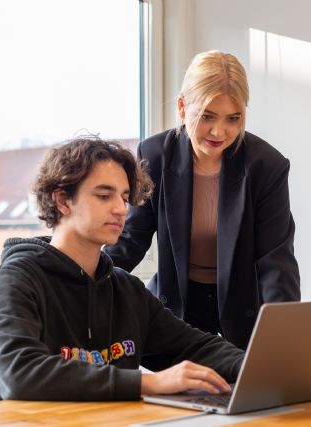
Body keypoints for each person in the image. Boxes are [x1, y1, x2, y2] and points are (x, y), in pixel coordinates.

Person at [0, 137, 244, 402]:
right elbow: (20, 374)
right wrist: (148, 383)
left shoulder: (125, 289)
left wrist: (261, 366)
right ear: (62, 200)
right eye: (104, 196)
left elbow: (195, 347)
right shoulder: (15, 281)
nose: (120, 209)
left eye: (124, 198)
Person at [104, 50, 300, 350]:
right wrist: (83, 283)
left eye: (233, 119)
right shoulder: (154, 155)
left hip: (241, 307)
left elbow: (276, 259)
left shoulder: (266, 166)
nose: (219, 131)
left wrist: (283, 334)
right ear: (183, 107)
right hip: (177, 304)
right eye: (207, 116)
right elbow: (131, 240)